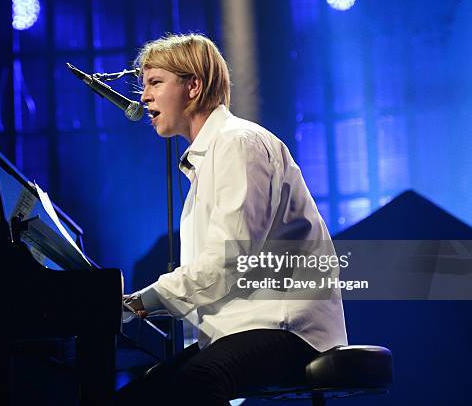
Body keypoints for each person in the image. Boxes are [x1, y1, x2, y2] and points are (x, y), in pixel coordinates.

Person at [118, 33, 347, 406]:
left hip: (286, 326)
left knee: (198, 380)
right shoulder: (211, 157)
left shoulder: (238, 144)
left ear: (193, 86)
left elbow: (228, 259)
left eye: (155, 82)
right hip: (247, 327)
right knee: (140, 396)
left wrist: (141, 303)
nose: (144, 96)